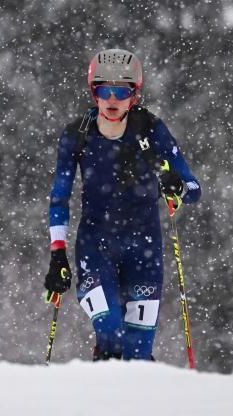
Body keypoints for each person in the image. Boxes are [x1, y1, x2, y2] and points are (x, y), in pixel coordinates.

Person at [43, 48, 201, 361]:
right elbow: (59, 196)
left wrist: (177, 186)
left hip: (144, 248)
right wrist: (57, 254)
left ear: (134, 96)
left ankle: (136, 403)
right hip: (95, 245)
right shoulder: (76, 135)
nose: (112, 100)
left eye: (121, 92)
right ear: (94, 93)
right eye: (104, 91)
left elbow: (194, 189)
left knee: (138, 351)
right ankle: (102, 392)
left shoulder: (152, 130)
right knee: (111, 333)